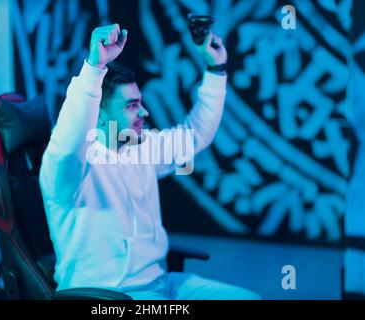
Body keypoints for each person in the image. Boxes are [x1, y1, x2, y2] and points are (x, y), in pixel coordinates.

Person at [39, 23, 259, 300]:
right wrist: (94, 67)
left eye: (140, 102)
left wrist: (217, 69)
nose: (144, 111)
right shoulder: (69, 168)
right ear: (100, 115)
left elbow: (195, 135)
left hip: (162, 283)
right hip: (107, 296)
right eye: (131, 105)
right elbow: (69, 143)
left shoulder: (141, 147)